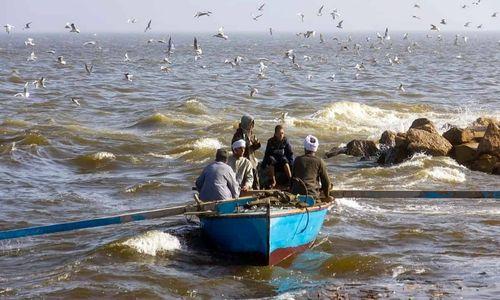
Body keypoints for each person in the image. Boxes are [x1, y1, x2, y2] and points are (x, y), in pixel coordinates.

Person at [290, 135, 333, 201]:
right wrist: (327, 196)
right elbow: (326, 183)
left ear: (305, 148)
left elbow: (292, 179)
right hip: (312, 195)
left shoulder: (297, 159)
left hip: (296, 194)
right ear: (315, 149)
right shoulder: (319, 161)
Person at [232, 115, 261, 189]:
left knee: (255, 178)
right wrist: (248, 143)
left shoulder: (250, 133)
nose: (252, 126)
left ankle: (256, 192)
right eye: (251, 124)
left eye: (252, 124)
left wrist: (256, 143)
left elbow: (255, 147)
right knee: (243, 180)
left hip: (251, 159)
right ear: (246, 124)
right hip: (242, 161)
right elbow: (235, 148)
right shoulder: (238, 135)